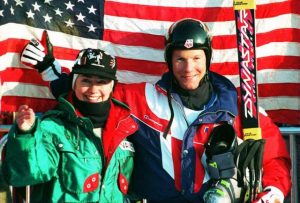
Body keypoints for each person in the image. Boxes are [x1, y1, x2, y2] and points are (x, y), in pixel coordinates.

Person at [19, 19, 291, 203]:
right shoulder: (143, 99)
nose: (188, 68)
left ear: (208, 59)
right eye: (180, 59)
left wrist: (273, 193)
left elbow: (275, 158)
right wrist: (50, 71)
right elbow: (93, 95)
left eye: (197, 58)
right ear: (169, 61)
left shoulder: (239, 106)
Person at [2, 47, 138, 203]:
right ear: (74, 84)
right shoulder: (52, 127)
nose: (93, 90)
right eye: (86, 80)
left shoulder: (127, 128)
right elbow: (24, 175)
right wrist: (26, 135)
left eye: (102, 82)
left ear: (112, 86)